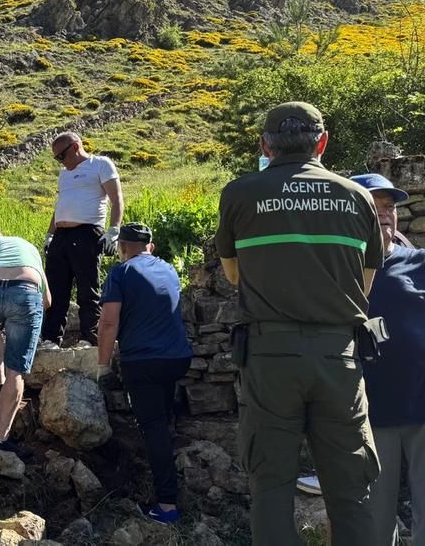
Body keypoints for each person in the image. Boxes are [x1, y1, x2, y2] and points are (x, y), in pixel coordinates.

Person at [216, 101, 383, 546]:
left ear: (264, 145)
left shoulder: (239, 194)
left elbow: (234, 275)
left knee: (270, 488)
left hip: (270, 358)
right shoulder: (359, 196)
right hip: (339, 358)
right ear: (322, 143)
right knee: (353, 491)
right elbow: (364, 283)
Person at [96, 222, 193, 525]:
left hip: (144, 362)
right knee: (162, 419)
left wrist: (102, 366)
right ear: (150, 247)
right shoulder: (168, 269)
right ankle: (184, 472)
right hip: (178, 358)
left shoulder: (121, 273)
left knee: (152, 427)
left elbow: (109, 323)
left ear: (122, 248)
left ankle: (166, 505)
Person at [350, 173, 425, 546]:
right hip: (369, 418)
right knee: (374, 527)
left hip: (423, 412)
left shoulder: (419, 262)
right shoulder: (337, 273)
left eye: (390, 207)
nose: (384, 214)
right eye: (372, 206)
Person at [41, 132, 124, 346]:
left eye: (62, 156)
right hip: (61, 235)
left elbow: (116, 198)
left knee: (88, 288)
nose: (60, 161)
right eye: (56, 158)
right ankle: (51, 338)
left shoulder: (100, 164)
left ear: (76, 147)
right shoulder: (64, 174)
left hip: (87, 231)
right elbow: (61, 204)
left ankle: (89, 336)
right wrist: (50, 234)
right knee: (56, 288)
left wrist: (114, 229)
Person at [0, 229, 49, 455]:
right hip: (26, 291)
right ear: (3, 236)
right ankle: (1, 438)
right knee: (17, 372)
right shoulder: (27, 245)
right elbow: (47, 300)